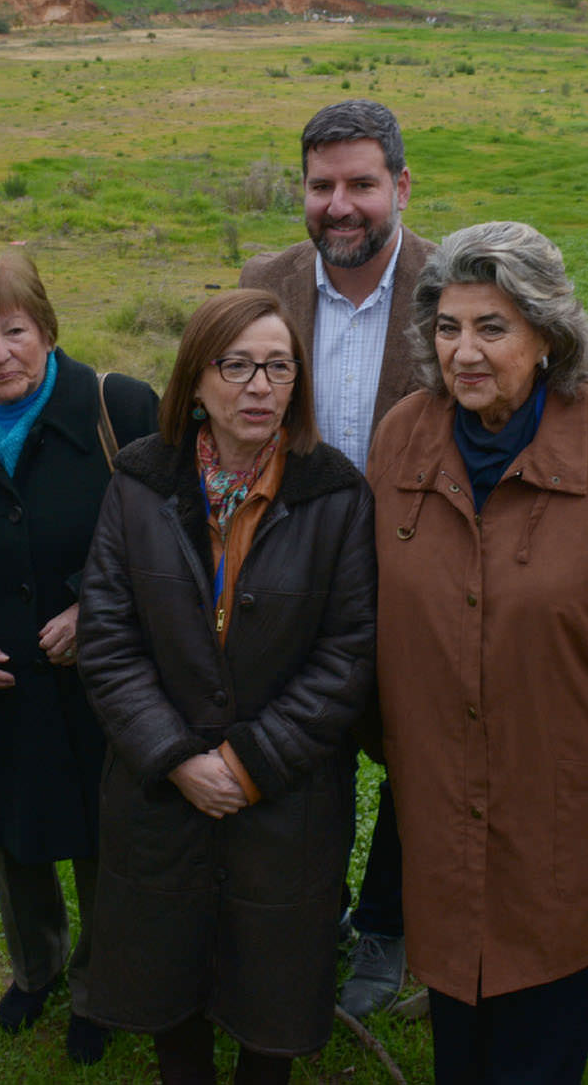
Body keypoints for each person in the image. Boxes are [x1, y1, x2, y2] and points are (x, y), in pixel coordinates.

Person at [368, 220, 588, 1083]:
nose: (464, 352)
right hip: (441, 800)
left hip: (572, 808)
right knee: (458, 1022)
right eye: (448, 327)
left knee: (539, 1038)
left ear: (547, 335)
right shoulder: (402, 439)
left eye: (492, 328)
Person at [76, 289, 376, 1084]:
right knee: (166, 972)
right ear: (195, 382)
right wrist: (176, 756)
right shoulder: (138, 483)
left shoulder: (336, 495)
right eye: (235, 364)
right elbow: (107, 640)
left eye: (278, 366)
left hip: (284, 799)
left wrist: (248, 765)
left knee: (271, 983)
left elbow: (348, 654)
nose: (258, 386)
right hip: (159, 790)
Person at [0, 252, 158, 1065]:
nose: (0, 353)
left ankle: (98, 984)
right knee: (12, 835)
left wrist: (96, 610)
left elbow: (164, 538)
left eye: (15, 331)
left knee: (101, 837)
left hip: (102, 680)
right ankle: (34, 967)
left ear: (46, 329)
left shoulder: (116, 407)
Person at [239, 98, 435, 1016]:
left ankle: (388, 933)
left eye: (361, 183)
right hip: (294, 578)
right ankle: (305, 916)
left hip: (421, 580)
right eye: (322, 187)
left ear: (400, 185)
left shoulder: (452, 286)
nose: (340, 205)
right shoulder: (262, 283)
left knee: (412, 761)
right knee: (305, 754)